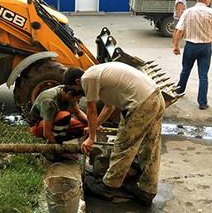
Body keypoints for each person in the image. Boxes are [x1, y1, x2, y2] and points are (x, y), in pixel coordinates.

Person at [63, 63, 165, 206]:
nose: (78, 93)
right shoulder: (98, 73)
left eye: (75, 89)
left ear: (77, 82)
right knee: (151, 147)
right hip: (156, 97)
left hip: (141, 104)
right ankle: (147, 191)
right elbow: (109, 107)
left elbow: (91, 110)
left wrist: (91, 138)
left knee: (123, 145)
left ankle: (108, 187)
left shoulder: (87, 78)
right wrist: (95, 125)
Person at [172, 0, 212, 110]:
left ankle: (179, 91)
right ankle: (202, 102)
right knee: (203, 75)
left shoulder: (188, 12)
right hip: (205, 47)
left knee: (185, 70)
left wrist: (175, 45)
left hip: (190, 46)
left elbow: (179, 30)